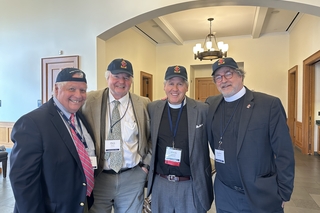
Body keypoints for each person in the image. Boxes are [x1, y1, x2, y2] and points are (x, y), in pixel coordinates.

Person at [206, 57, 295, 213]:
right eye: (218, 77)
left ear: (241, 75)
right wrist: (170, 101)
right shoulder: (211, 104)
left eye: (228, 73)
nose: (224, 80)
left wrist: (284, 192)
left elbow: (284, 152)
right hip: (225, 193)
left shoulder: (268, 105)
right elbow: (190, 109)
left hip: (261, 194)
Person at [9, 68, 96, 213]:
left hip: (81, 202)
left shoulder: (80, 118)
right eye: (72, 89)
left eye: (83, 90)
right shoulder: (32, 123)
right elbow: (23, 182)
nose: (78, 95)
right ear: (56, 88)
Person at [81, 58, 151, 213]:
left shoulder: (144, 103)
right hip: (100, 177)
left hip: (132, 177)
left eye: (126, 77)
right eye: (116, 76)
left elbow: (152, 137)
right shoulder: (89, 101)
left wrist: (145, 166)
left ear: (131, 81)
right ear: (107, 77)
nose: (121, 81)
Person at [147, 65, 213, 213]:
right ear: (164, 86)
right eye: (171, 83)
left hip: (191, 184)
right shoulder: (153, 108)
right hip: (161, 183)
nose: (175, 88)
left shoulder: (203, 109)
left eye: (180, 84)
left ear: (187, 87)